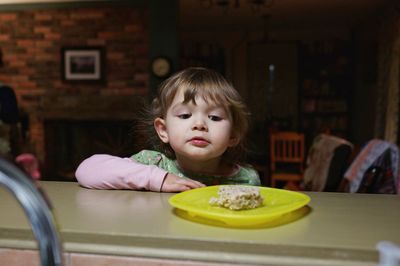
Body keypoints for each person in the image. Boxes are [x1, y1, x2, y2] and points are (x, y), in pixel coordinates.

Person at [75, 67, 261, 192]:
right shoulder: (152, 163)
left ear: (233, 135)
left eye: (214, 117)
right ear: (163, 130)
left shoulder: (246, 179)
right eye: (185, 116)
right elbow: (87, 170)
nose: (199, 125)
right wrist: (158, 179)